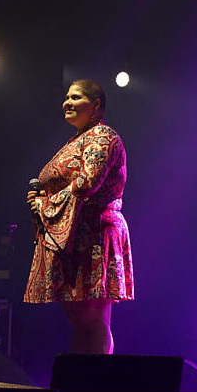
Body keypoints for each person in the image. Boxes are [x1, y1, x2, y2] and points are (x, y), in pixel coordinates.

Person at [23, 79, 134, 355]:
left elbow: (88, 182)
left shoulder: (103, 136)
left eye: (75, 97)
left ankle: (95, 383)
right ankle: (77, 380)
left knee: (92, 320)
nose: (67, 102)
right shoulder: (77, 139)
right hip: (75, 234)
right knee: (78, 321)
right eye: (66, 97)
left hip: (94, 232)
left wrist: (44, 205)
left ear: (96, 105)